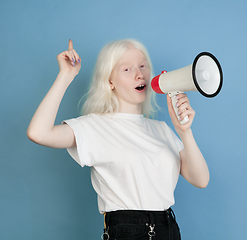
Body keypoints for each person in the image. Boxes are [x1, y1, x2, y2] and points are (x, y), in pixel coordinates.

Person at [27, 39, 210, 240]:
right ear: (110, 81)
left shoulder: (162, 129)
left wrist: (184, 131)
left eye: (143, 66)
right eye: (127, 69)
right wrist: (66, 75)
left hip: (169, 229)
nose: (139, 74)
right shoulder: (95, 126)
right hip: (127, 231)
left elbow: (200, 180)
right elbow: (39, 133)